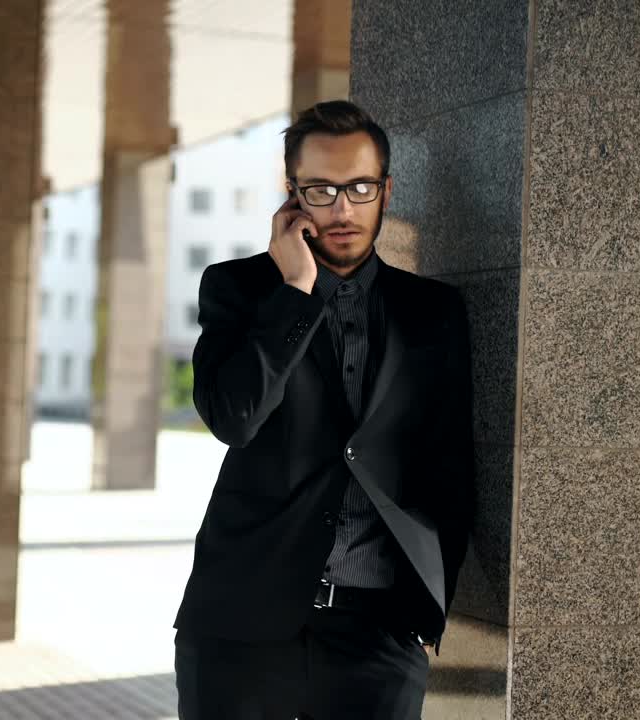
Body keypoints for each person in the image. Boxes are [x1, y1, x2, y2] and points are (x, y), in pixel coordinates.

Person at [172, 100, 476, 719]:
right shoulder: (236, 290)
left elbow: (451, 467)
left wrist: (425, 615)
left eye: (360, 187)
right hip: (241, 624)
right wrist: (295, 292)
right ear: (292, 196)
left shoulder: (433, 313)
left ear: (386, 190)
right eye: (321, 189)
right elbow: (234, 417)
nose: (342, 209)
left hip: (379, 633)